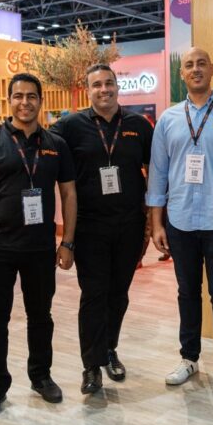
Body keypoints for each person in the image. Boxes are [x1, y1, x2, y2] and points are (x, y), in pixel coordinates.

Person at [0, 73, 77, 421]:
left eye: (31, 96)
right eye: (18, 96)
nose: (25, 102)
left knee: (41, 317)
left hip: (40, 248)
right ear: (9, 100)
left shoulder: (56, 143)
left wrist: (67, 241)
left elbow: (69, 193)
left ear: (40, 100)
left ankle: (41, 376)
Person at [146, 47, 213, 396]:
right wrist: (157, 224)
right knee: (187, 293)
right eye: (189, 65)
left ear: (212, 69)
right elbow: (158, 174)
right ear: (182, 74)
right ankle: (189, 358)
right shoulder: (168, 119)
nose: (195, 69)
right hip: (180, 220)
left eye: (201, 64)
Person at [49, 64, 153, 394]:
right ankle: (91, 366)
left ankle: (109, 348)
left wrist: (154, 219)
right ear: (88, 90)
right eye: (97, 85)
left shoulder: (138, 125)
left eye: (109, 83)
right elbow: (37, 140)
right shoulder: (70, 126)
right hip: (89, 226)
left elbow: (155, 170)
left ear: (117, 87)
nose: (104, 89)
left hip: (130, 225)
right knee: (94, 295)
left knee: (118, 294)